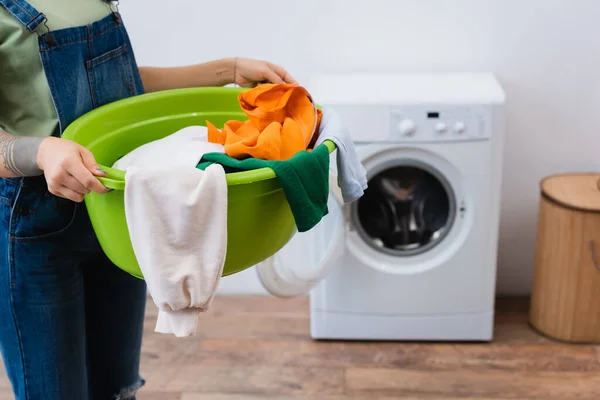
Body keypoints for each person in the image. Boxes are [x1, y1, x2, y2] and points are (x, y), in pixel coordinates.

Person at [0, 1, 297, 399]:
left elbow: (112, 84)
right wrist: (41, 152)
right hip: (37, 225)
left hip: (123, 209)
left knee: (117, 388)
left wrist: (227, 70)